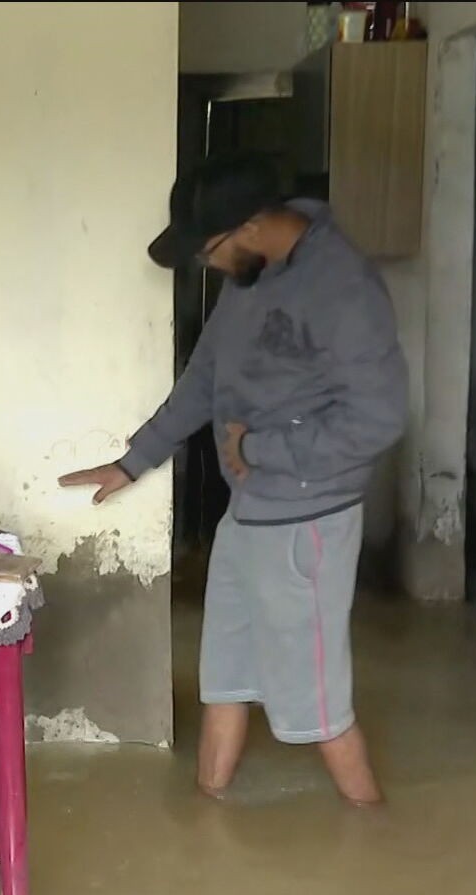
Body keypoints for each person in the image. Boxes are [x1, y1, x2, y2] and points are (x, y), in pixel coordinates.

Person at [60, 155, 408, 806]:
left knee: (319, 706)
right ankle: (201, 836)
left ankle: (376, 841)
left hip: (308, 523)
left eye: (207, 252)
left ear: (249, 227)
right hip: (247, 514)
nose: (207, 267)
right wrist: (135, 460)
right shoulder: (249, 276)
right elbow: (204, 380)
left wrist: (264, 448)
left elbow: (380, 419)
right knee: (224, 680)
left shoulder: (343, 288)